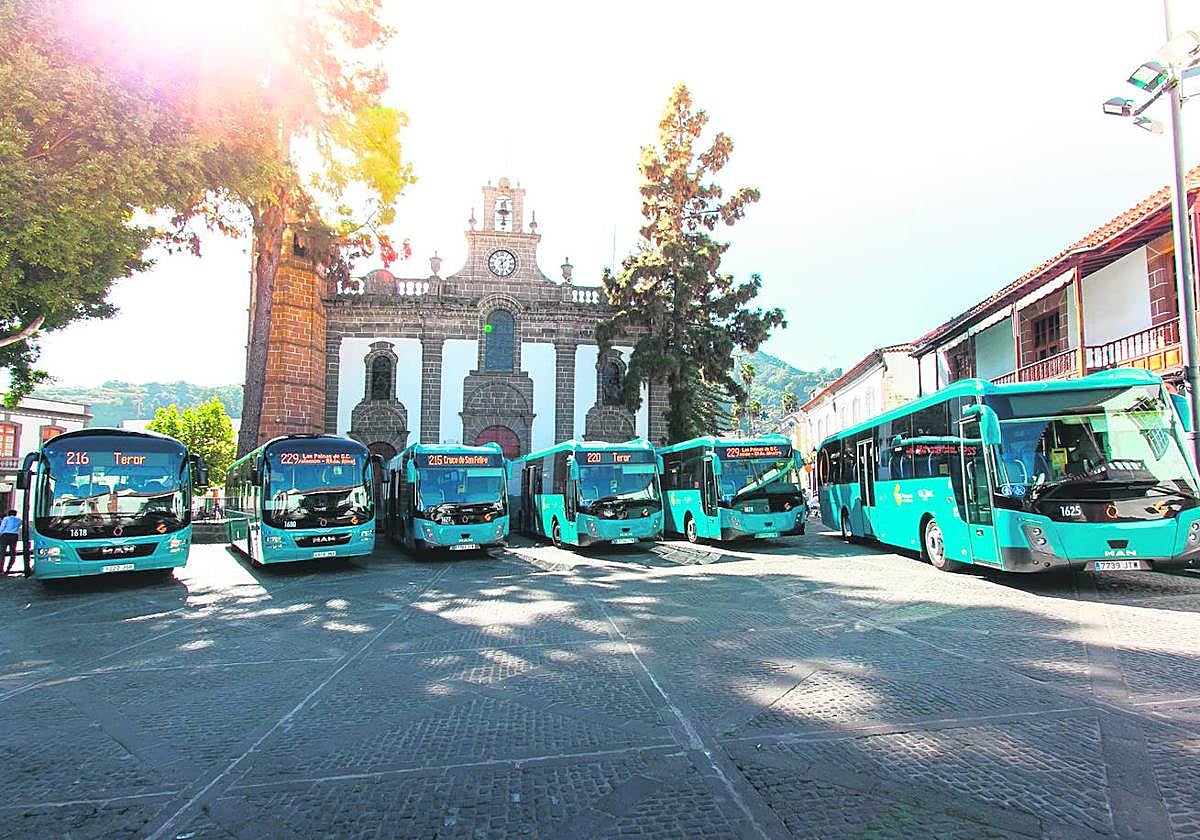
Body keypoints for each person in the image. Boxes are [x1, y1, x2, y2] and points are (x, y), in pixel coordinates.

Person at [1, 508, 21, 575]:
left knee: (2, 552)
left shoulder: (6, 519)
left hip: (5, 535)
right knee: (12, 552)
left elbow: (2, 527)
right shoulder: (18, 520)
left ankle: (1, 569)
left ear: (8, 514)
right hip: (14, 536)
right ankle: (9, 568)